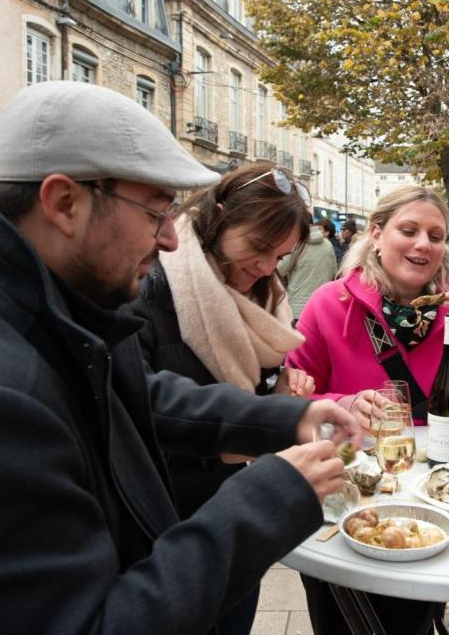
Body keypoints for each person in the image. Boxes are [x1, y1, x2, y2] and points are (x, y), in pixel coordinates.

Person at [0, 80, 361, 633]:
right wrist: (263, 499)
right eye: (155, 212)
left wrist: (286, 418)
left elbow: (137, 394)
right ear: (63, 203)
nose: (172, 238)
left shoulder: (55, 301)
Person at [287, 185, 449, 635]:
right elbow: (291, 397)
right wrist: (344, 403)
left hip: (432, 499)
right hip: (348, 495)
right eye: (408, 230)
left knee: (409, 620)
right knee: (342, 620)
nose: (422, 244)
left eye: (435, 235)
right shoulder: (329, 304)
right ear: (376, 234)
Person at [128, 162, 316, 634]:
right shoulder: (152, 286)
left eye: (281, 256)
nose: (267, 267)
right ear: (219, 216)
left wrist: (280, 394)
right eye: (258, 248)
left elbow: (258, 388)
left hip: (232, 510)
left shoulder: (267, 297)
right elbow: (134, 411)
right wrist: (251, 434)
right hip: (163, 522)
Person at [278, 221, 338, 319]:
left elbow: (278, 270)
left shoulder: (296, 244)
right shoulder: (328, 245)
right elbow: (335, 274)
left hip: (298, 308)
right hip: (321, 307)